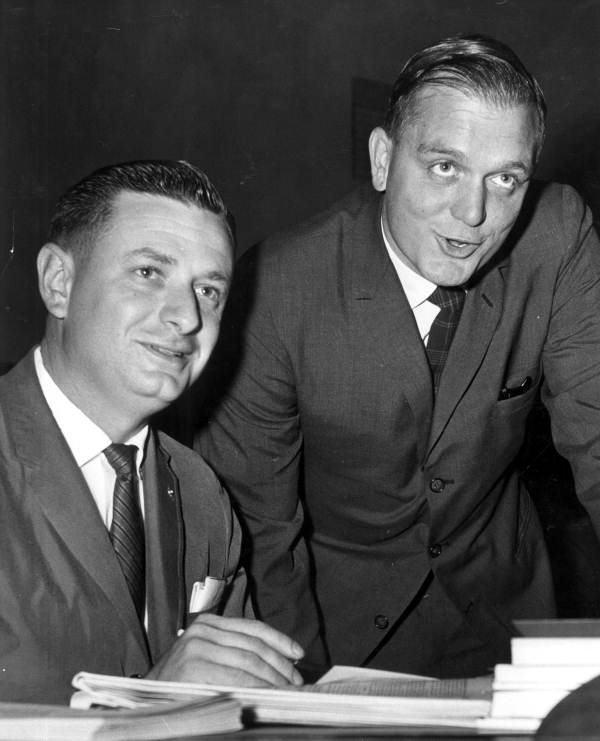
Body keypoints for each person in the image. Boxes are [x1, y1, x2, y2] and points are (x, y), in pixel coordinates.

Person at [197, 34, 600, 680]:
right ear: (383, 159)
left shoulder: (557, 235)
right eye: (446, 166)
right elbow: (259, 532)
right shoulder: (275, 290)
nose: (473, 214)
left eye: (505, 179)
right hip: (337, 634)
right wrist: (306, 699)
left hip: (505, 612)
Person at [0, 160, 304, 704]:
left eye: (209, 290)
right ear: (58, 283)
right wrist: (139, 705)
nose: (187, 317)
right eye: (148, 273)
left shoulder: (200, 491)